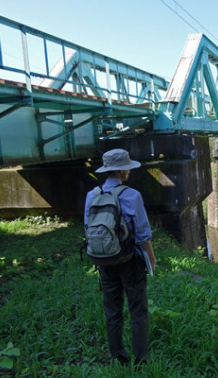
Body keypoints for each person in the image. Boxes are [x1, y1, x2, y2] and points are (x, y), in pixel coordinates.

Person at [84, 148, 156, 366]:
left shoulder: (92, 195)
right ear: (123, 170)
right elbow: (143, 234)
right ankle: (140, 359)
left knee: (112, 310)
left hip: (103, 259)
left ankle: (118, 357)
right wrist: (151, 260)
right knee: (138, 310)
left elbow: (87, 228)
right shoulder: (132, 195)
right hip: (130, 260)